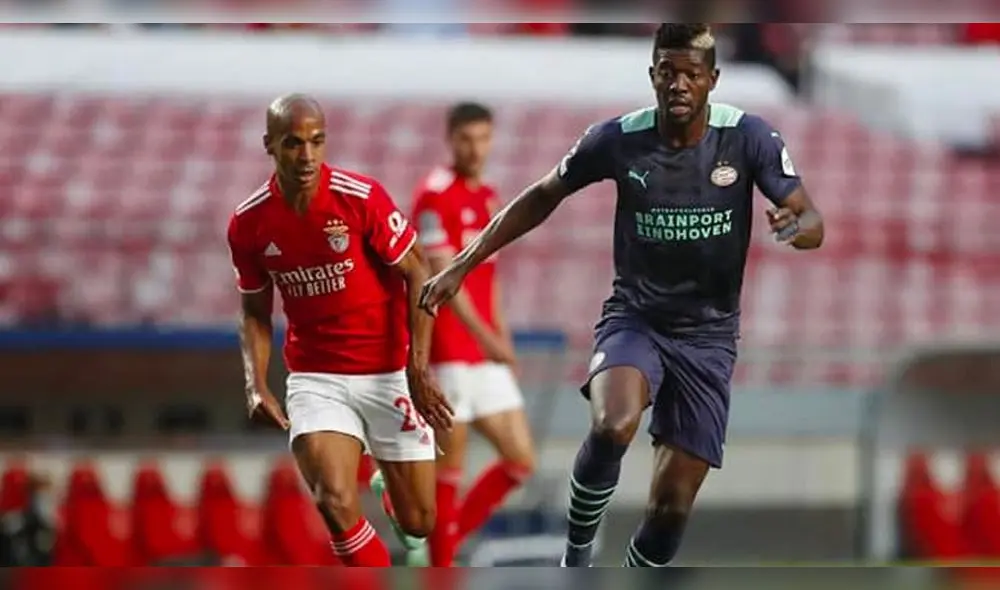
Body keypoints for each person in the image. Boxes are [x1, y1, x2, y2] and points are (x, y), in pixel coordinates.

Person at [419, 23, 825, 567]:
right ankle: (577, 555)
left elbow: (811, 217)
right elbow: (542, 195)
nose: (678, 84)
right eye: (668, 72)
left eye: (691, 74)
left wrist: (796, 227)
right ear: (653, 75)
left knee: (669, 513)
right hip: (637, 319)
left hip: (709, 336)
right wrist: (463, 266)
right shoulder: (617, 138)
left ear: (712, 80)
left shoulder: (749, 138)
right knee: (613, 425)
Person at [226, 94, 453, 567]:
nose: (306, 155)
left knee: (419, 523)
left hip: (388, 370)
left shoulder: (359, 198)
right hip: (316, 378)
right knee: (332, 498)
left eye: (316, 141)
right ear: (269, 145)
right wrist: (255, 381)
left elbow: (418, 271)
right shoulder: (248, 223)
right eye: (292, 143)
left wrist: (417, 367)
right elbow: (254, 311)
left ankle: (387, 483)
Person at [405, 102, 536, 566]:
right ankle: (440, 565)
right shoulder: (433, 196)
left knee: (521, 460)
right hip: (449, 350)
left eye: (482, 138)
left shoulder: (490, 197)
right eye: (466, 139)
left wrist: (504, 337)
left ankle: (447, 538)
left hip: (483, 350)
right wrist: (487, 339)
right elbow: (445, 279)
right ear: (450, 139)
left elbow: (490, 278)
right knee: (449, 470)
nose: (475, 148)